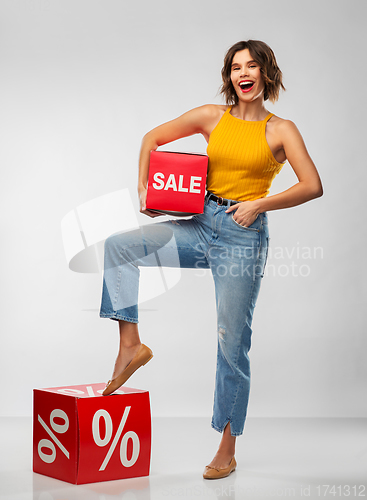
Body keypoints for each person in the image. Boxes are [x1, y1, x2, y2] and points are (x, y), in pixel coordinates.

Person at [99, 39, 323, 479]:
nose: (244, 73)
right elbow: (152, 138)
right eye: (236, 66)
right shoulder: (212, 117)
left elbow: (312, 184)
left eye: (252, 65)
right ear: (230, 76)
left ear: (266, 73)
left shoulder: (281, 130)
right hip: (199, 221)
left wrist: (260, 205)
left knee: (231, 341)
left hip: (243, 235)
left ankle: (227, 445)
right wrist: (145, 189)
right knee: (119, 247)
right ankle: (130, 345)